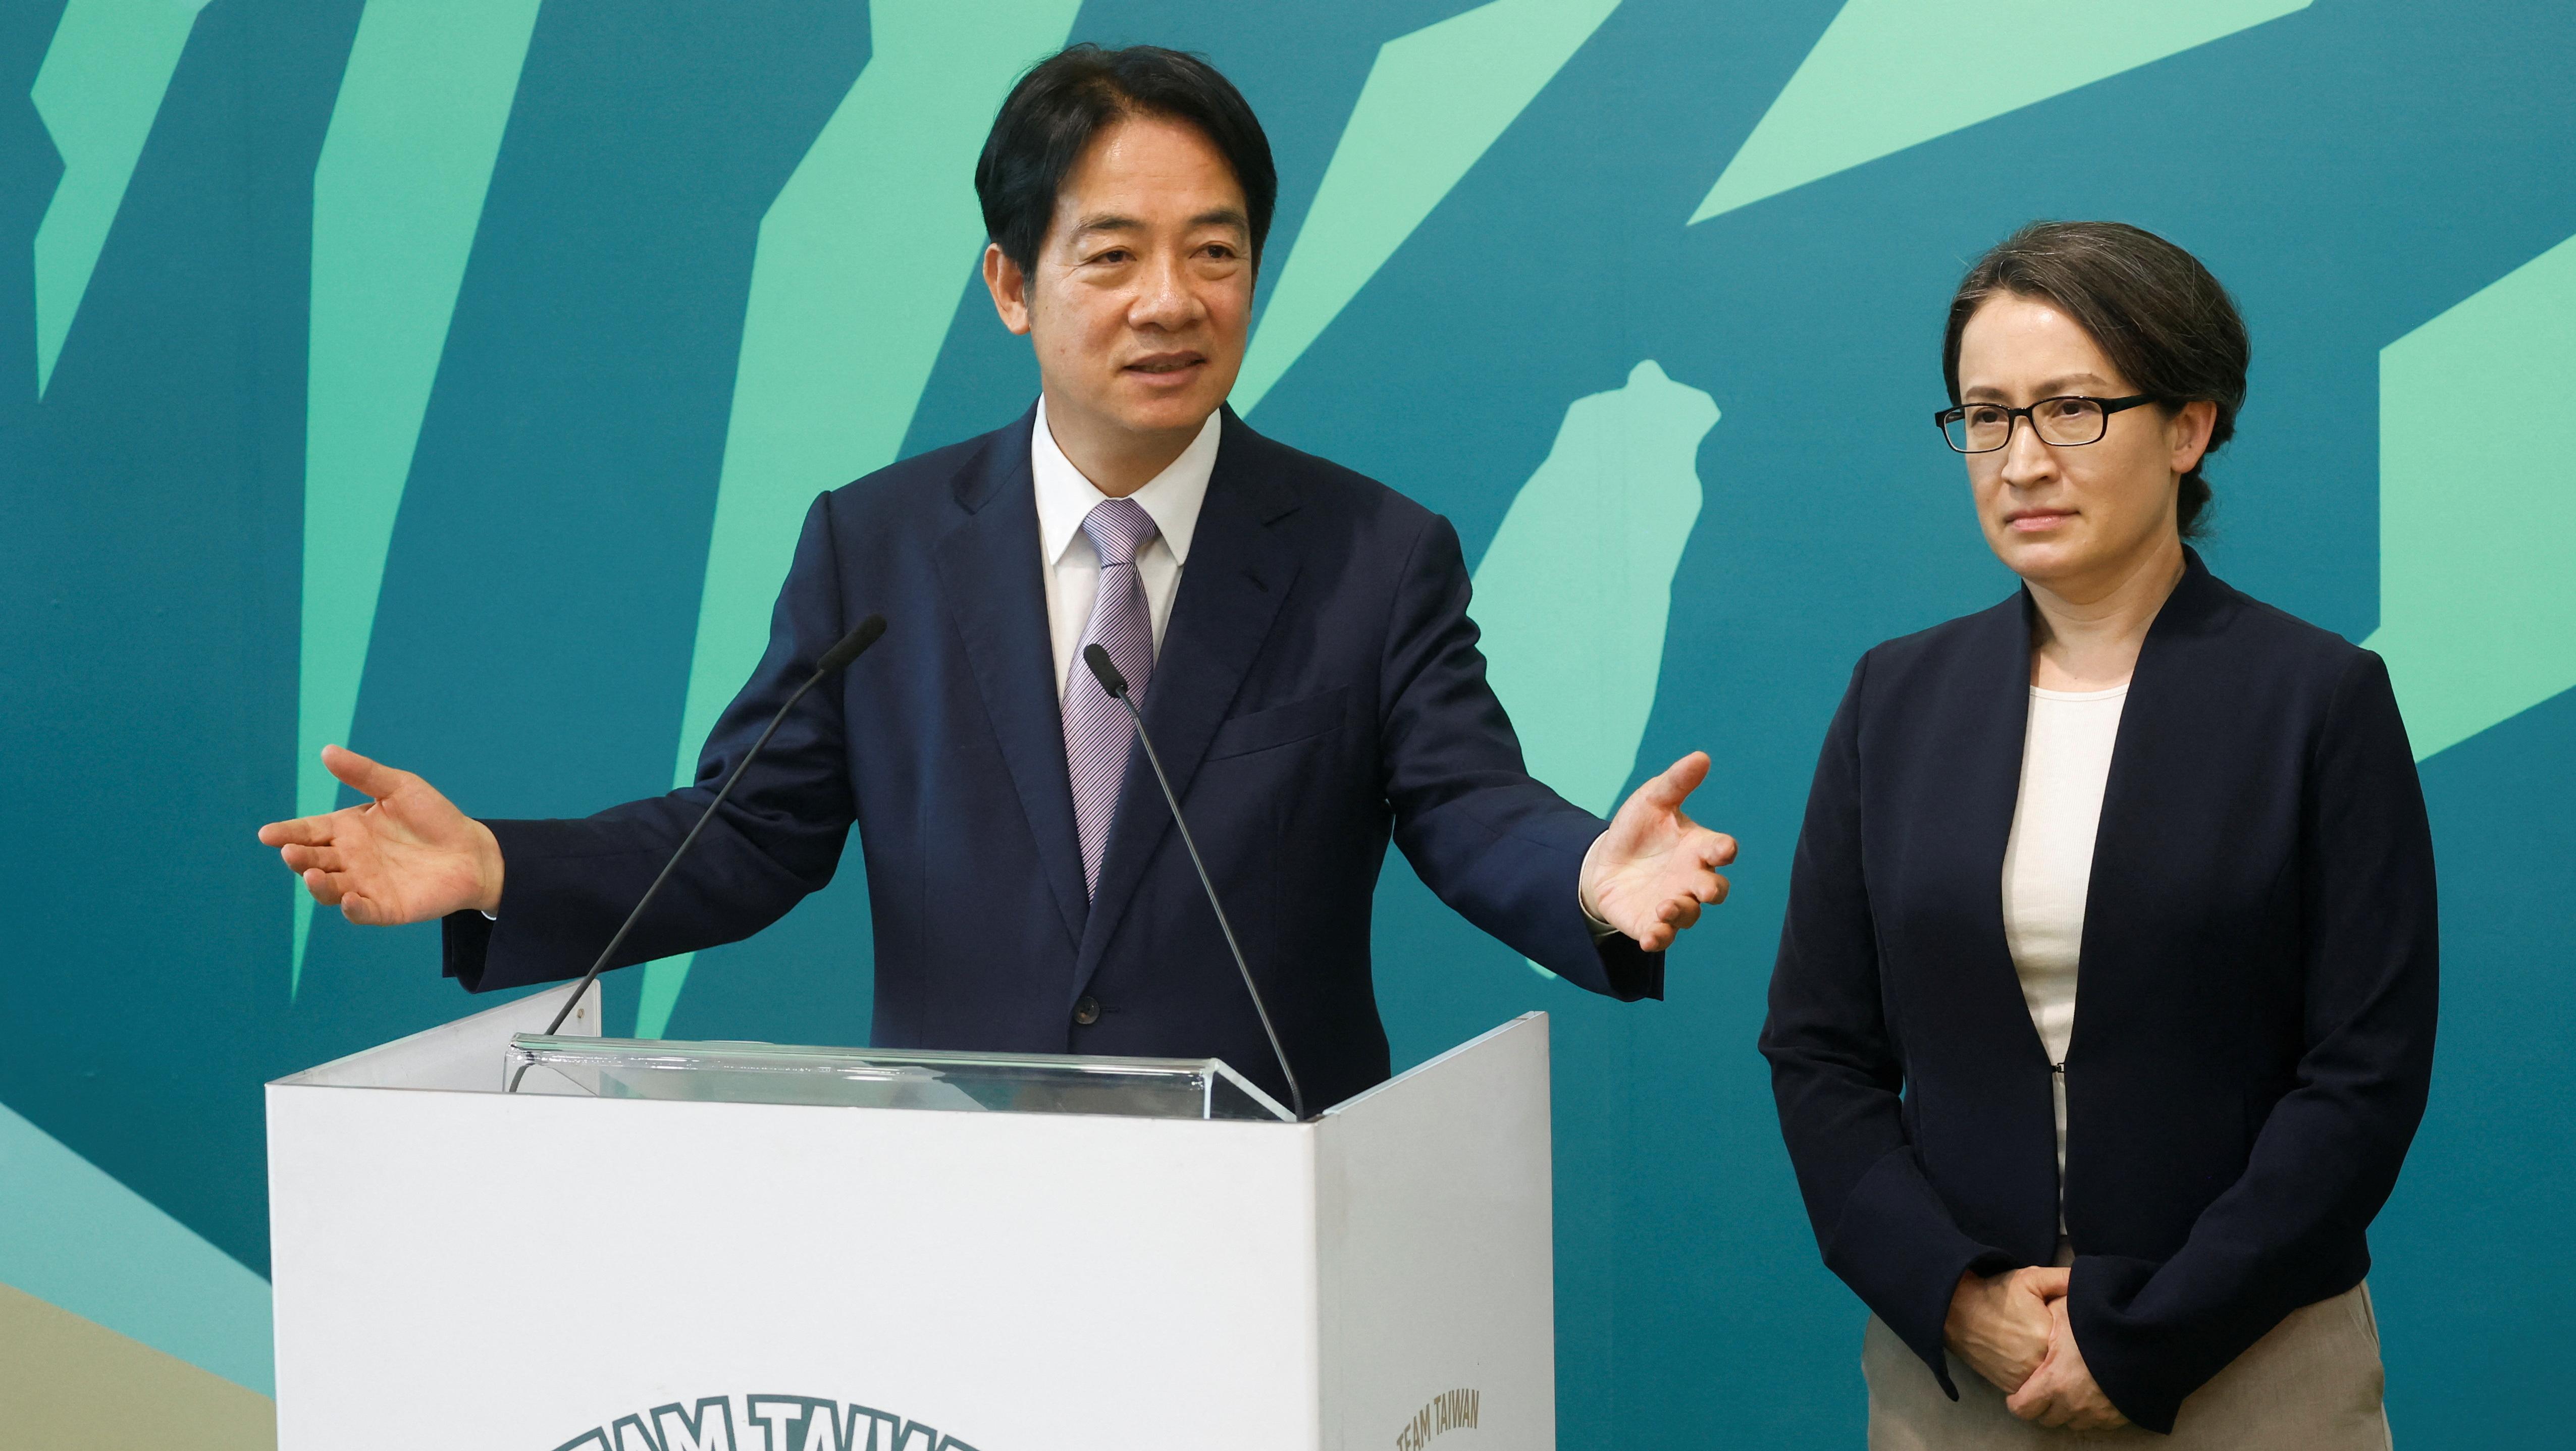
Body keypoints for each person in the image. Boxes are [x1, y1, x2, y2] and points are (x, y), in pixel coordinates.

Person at [259, 45, 1736, 1111]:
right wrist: (499, 868)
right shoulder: (878, 548)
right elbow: (748, 832)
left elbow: (1468, 807)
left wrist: (1588, 878)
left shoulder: (1371, 554)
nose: (1172, 301)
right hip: (960, 1204)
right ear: (1013, 286)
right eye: (1115, 256)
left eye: (1215, 253)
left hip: (1272, 1210)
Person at [1760, 222, 2438, 1451]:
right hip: (1968, 1403)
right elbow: (1820, 1049)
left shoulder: (2315, 701)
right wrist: (1961, 1300)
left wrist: (2147, 1331)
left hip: (2242, 1388)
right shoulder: (1896, 700)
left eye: (2073, 408)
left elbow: (2362, 1075)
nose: (2022, 459)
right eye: (1984, 417)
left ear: (2191, 425)